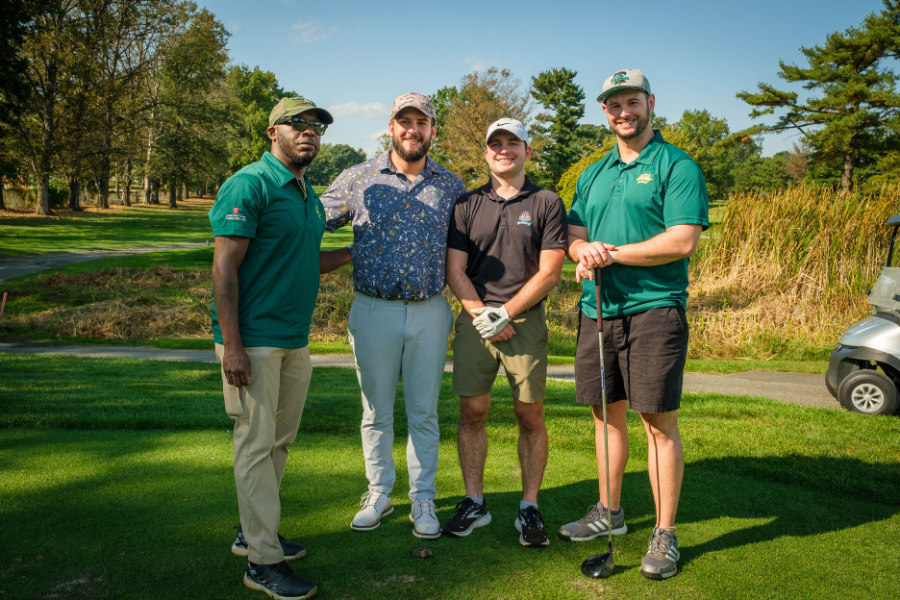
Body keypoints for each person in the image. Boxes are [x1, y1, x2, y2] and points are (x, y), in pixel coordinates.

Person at [559, 69, 709, 580]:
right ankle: (610, 512)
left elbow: (682, 240)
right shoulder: (593, 173)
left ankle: (664, 533)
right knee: (606, 416)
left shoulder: (676, 164)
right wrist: (583, 250)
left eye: (632, 102)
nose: (623, 112)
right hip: (598, 310)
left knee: (657, 422)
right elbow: (574, 234)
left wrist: (610, 254)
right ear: (605, 112)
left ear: (650, 103)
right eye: (614, 104)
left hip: (655, 309)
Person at [210, 96, 351, 600]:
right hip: (254, 340)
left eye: (317, 126)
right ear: (273, 132)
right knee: (255, 445)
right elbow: (224, 268)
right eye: (298, 124)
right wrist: (233, 345)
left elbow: (303, 260)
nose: (309, 132)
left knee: (277, 443)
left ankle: (254, 533)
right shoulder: (250, 184)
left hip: (294, 338)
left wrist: (354, 251)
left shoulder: (308, 194)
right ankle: (262, 562)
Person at [321, 93, 467, 540]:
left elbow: (468, 247)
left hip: (430, 310)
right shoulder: (358, 177)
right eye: (404, 121)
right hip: (373, 308)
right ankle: (379, 492)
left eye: (421, 122)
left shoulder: (452, 184)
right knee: (375, 411)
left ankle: (423, 498)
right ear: (391, 127)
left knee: (424, 413)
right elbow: (308, 220)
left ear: (432, 130)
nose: (412, 129)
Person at [440, 118, 567, 547]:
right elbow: (454, 269)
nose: (504, 149)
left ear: (527, 151)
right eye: (496, 143)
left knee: (529, 415)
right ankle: (474, 501)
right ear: (486, 153)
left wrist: (506, 313)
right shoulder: (466, 204)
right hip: (475, 319)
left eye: (513, 142)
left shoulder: (547, 202)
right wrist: (483, 315)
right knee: (472, 412)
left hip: (525, 321)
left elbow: (550, 272)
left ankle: (529, 506)